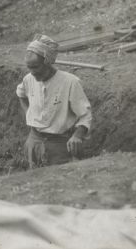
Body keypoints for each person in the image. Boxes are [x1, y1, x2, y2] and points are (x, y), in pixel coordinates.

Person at [16, 34, 93, 169]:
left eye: (35, 67)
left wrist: (77, 135)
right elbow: (21, 94)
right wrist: (29, 113)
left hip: (60, 146)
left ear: (48, 62)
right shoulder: (29, 79)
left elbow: (85, 115)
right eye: (29, 67)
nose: (32, 72)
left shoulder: (70, 82)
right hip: (34, 142)